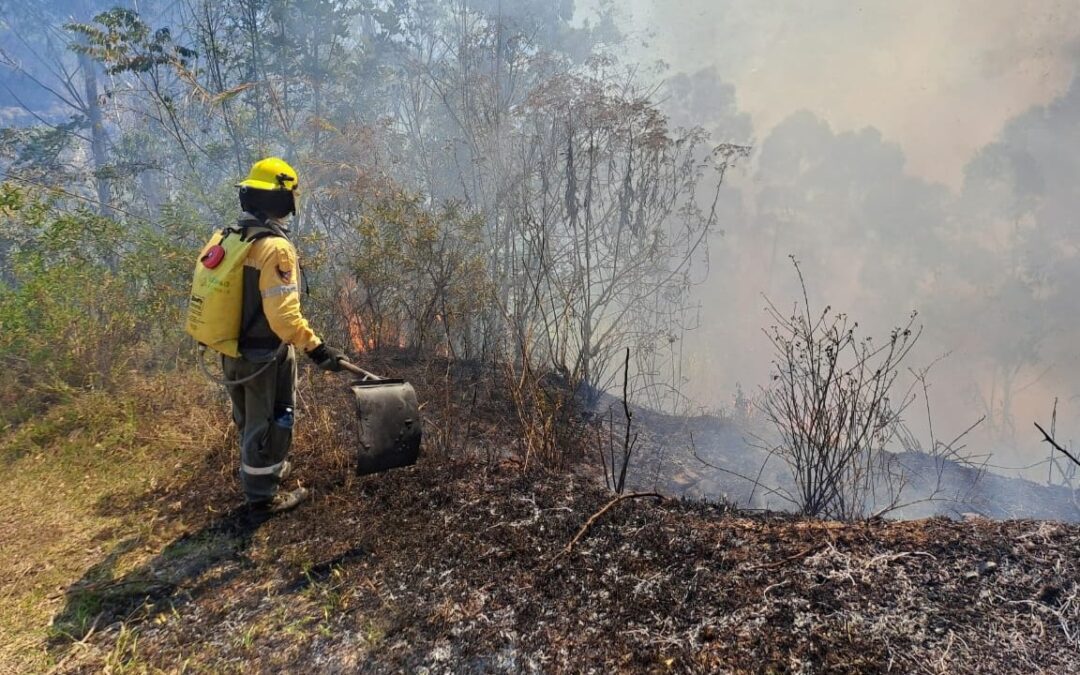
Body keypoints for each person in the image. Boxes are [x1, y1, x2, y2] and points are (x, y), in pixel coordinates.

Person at [223, 157, 346, 514]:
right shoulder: (274, 248)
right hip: (262, 355)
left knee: (248, 420)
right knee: (272, 420)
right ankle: (262, 497)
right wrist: (317, 349)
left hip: (232, 350)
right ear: (282, 201)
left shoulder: (232, 237)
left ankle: (264, 471)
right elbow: (283, 315)